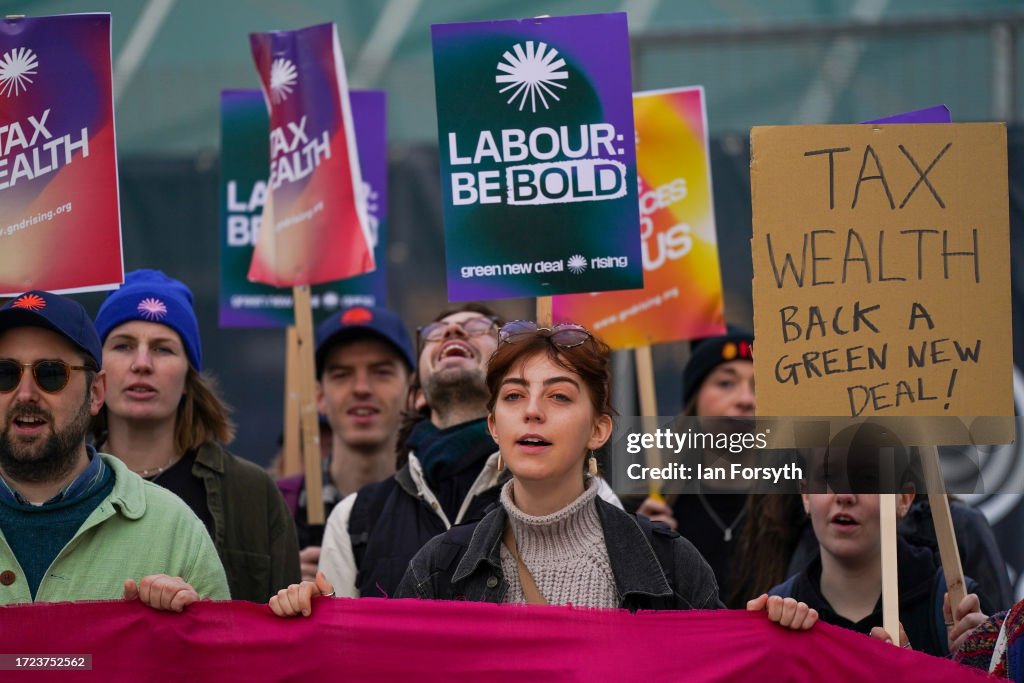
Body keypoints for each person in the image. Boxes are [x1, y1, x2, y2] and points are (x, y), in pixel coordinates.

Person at [271, 320, 815, 630]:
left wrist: (780, 630)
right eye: (514, 397)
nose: (533, 412)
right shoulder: (440, 566)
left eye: (558, 396)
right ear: (493, 425)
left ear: (599, 429)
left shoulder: (669, 563)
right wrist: (310, 623)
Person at [317, 305, 622, 599]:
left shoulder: (588, 500)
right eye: (435, 333)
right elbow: (340, 646)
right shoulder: (354, 517)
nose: (453, 330)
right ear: (418, 394)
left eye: (479, 328)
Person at [0, 290, 228, 609]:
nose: (25, 394)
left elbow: (218, 656)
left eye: (50, 374)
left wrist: (186, 627)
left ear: (95, 393)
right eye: (5, 374)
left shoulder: (175, 530)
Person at [91, 270, 298, 602]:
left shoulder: (251, 493)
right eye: (123, 345)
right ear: (96, 375)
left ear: (189, 378)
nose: (142, 364)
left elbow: (287, 637)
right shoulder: (66, 488)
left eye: (163, 349)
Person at [769, 445, 991, 657]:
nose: (845, 495)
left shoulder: (957, 606)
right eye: (828, 477)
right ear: (806, 495)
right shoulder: (777, 612)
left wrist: (974, 663)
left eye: (868, 479)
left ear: (904, 499)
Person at [277, 305, 415, 582]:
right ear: (318, 397)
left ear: (413, 392)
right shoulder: (276, 508)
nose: (361, 388)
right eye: (342, 374)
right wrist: (277, 582)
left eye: (381, 372)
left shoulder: (441, 507)